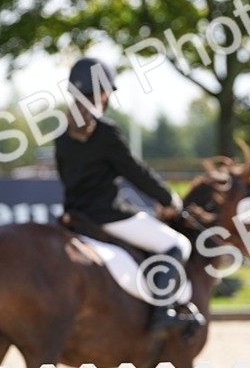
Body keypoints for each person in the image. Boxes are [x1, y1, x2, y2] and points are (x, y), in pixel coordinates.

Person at [55, 57, 205, 337]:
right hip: (109, 215)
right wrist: (167, 197)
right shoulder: (105, 131)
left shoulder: (63, 135)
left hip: (76, 217)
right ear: (101, 93)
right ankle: (163, 311)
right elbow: (134, 171)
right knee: (177, 244)